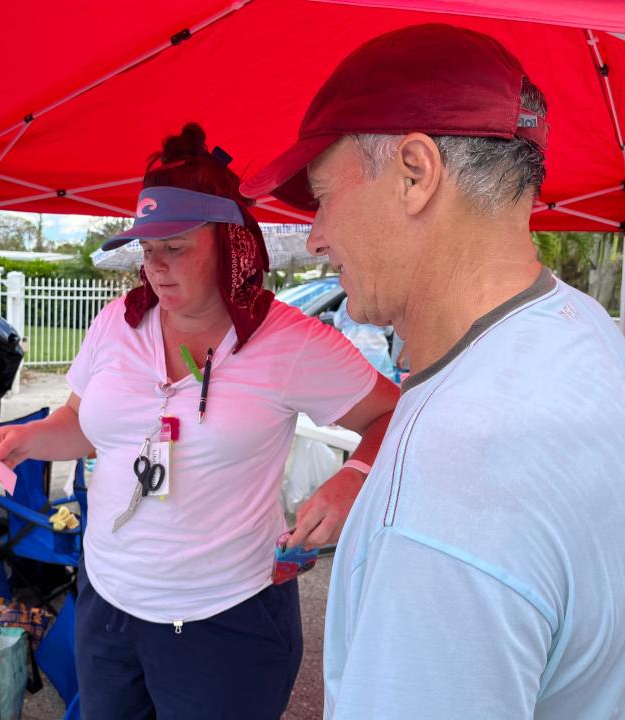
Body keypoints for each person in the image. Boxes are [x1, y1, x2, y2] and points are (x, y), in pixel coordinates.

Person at [241, 23, 625, 719]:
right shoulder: (587, 335)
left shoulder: (458, 473)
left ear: (415, 174)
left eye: (323, 197)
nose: (316, 237)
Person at [0, 123, 398, 719]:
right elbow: (83, 424)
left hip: (223, 619)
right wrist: (28, 439)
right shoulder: (115, 325)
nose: (157, 267)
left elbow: (392, 412)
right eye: (148, 250)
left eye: (176, 248)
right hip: (109, 605)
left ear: (230, 244)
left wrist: (352, 475)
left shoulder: (287, 342)